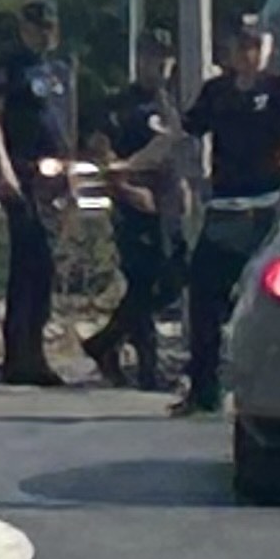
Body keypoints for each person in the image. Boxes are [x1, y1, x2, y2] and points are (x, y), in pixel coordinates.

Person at [177, 16, 280, 418]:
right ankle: (204, 390)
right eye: (243, 45)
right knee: (203, 298)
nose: (250, 53)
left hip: (267, 211)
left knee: (278, 298)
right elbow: (185, 131)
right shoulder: (216, 92)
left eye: (257, 44)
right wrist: (138, 163)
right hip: (224, 211)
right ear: (231, 51)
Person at [80, 29, 189, 389]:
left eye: (166, 58)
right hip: (135, 205)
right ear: (139, 58)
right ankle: (148, 367)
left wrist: (185, 189)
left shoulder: (170, 105)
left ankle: (105, 342)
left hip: (169, 205)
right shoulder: (118, 106)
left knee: (173, 280)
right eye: (153, 56)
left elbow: (177, 152)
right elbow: (103, 156)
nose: (160, 64)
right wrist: (125, 189)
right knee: (142, 282)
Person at [0, 0, 77, 388]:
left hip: (51, 177)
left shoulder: (59, 69)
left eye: (50, 27)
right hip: (21, 174)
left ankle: (35, 352)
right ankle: (17, 354)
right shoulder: (11, 66)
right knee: (28, 262)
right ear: (24, 28)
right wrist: (3, 166)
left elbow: (63, 125)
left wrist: (70, 180)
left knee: (45, 267)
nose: (45, 34)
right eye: (38, 27)